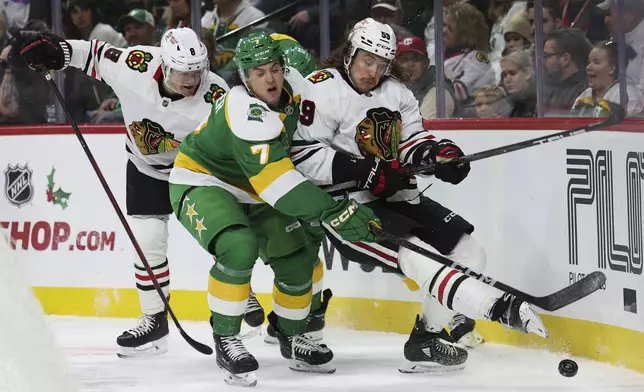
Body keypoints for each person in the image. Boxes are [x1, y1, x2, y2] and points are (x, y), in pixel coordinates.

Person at [292, 17, 549, 373]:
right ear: (350, 53)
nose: (373, 71)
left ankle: (426, 339)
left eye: (382, 64)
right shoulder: (320, 88)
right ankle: (496, 307)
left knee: (470, 254)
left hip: (397, 197)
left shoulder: (396, 91)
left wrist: (437, 155)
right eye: (367, 61)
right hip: (348, 207)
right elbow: (304, 154)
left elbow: (413, 138)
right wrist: (363, 170)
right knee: (424, 258)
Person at [17, 27, 264, 358]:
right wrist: (54, 51)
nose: (192, 80)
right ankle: (154, 320)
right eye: (182, 72)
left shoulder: (216, 95)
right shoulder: (135, 64)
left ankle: (239, 288)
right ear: (164, 64)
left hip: (195, 172)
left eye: (197, 71)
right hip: (146, 168)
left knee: (221, 233)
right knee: (147, 239)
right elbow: (91, 53)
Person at [167, 31, 381, 386]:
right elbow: (276, 182)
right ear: (245, 77)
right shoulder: (244, 109)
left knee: (299, 262)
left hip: (258, 190)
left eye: (275, 68)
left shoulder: (296, 81)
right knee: (238, 247)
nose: (270, 79)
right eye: (259, 72)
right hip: (205, 181)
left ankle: (290, 333)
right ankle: (226, 338)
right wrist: (331, 210)